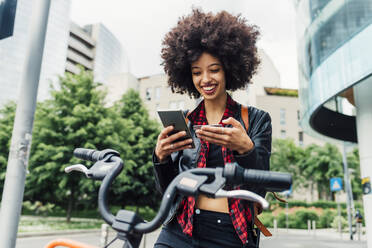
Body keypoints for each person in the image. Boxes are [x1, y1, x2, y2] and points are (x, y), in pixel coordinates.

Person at [153, 8, 272, 248]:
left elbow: (260, 188)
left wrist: (245, 148)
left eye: (214, 69)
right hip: (180, 229)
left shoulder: (256, 119)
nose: (205, 79)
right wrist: (161, 158)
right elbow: (168, 190)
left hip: (229, 232)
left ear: (229, 69)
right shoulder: (185, 121)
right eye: (197, 72)